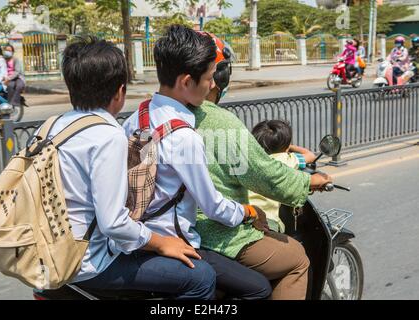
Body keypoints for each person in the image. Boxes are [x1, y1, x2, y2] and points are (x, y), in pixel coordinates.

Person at [38, 36, 220, 300]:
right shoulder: (107, 135)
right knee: (201, 277)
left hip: (49, 252)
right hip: (89, 262)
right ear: (120, 92)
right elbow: (114, 223)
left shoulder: (51, 126)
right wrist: (161, 242)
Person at [123, 25, 271, 300]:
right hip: (176, 243)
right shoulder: (183, 136)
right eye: (209, 78)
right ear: (186, 81)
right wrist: (249, 212)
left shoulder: (138, 116)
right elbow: (213, 207)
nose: (213, 85)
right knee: (259, 289)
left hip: (138, 236)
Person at [191, 32, 332, 300]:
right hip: (216, 232)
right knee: (297, 259)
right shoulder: (220, 122)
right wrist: (308, 181)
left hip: (172, 230)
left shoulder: (151, 113)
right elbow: (264, 175)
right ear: (216, 76)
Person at [249, 120, 316, 233]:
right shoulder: (285, 158)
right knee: (295, 249)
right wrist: (290, 147)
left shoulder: (249, 157)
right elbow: (310, 155)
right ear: (286, 146)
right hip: (266, 220)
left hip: (243, 213)